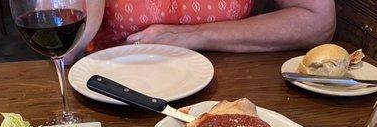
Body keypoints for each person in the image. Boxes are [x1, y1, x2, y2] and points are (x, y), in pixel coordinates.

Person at [90, 0, 336, 52]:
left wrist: (196, 35)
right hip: (106, 87)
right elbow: (63, 34)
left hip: (235, 89)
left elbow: (316, 19)